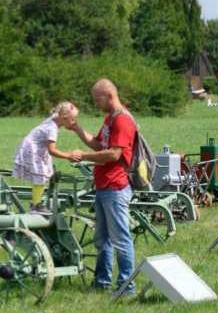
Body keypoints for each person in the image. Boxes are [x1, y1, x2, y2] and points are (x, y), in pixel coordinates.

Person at [68, 79, 136, 295]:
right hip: (104, 186)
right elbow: (100, 145)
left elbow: (114, 154)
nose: (96, 104)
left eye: (97, 100)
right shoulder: (110, 119)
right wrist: (77, 129)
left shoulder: (122, 121)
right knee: (102, 239)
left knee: (120, 239)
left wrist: (83, 156)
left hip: (115, 187)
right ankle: (101, 282)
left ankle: (126, 287)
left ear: (109, 96)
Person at [12, 102, 79, 215]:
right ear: (65, 118)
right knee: (40, 174)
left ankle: (36, 203)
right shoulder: (52, 129)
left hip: (35, 147)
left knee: (43, 174)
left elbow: (59, 115)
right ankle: (35, 205)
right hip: (32, 150)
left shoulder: (55, 119)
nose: (74, 122)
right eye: (73, 119)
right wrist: (68, 155)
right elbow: (52, 151)